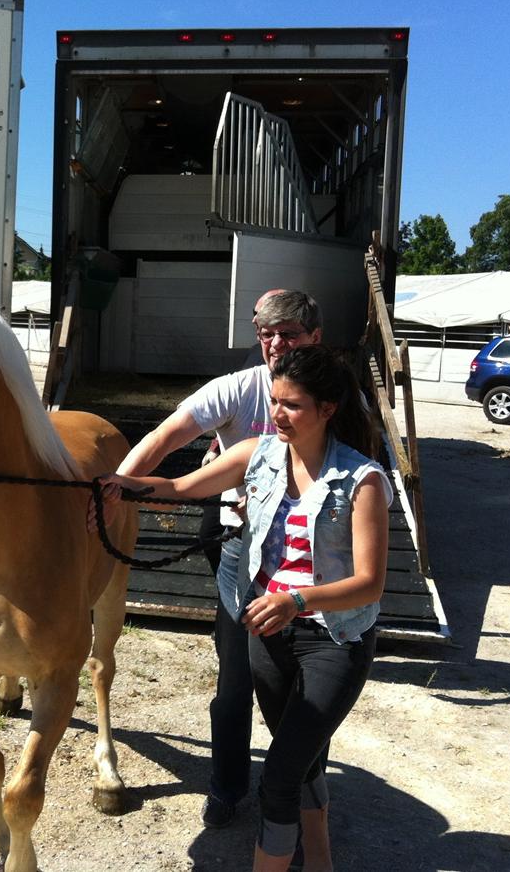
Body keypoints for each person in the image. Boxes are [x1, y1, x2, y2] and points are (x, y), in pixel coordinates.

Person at [94, 344, 391, 872]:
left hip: (334, 640)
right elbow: (184, 486)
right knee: (303, 757)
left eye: (293, 405)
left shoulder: (362, 480)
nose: (278, 414)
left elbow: (369, 584)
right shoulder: (257, 453)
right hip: (268, 635)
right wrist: (125, 485)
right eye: (275, 402)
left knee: (278, 777)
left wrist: (295, 599)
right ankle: (319, 860)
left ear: (328, 409)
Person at [113, 290, 323, 830]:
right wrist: (119, 489)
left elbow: (364, 466)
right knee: (236, 680)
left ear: (315, 338)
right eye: (268, 335)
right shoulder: (237, 388)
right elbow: (164, 437)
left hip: (310, 558)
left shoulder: (337, 396)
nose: (278, 345)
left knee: (302, 687)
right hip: (240, 548)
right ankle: (227, 786)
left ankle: (302, 792)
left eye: (291, 334)